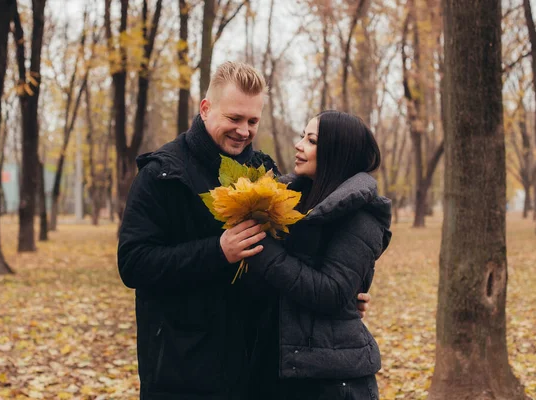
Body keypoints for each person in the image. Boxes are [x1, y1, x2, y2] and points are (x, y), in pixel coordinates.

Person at [117, 62, 371, 400]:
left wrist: (339, 298)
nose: (243, 131)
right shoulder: (163, 174)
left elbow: (289, 260)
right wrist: (217, 251)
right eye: (234, 119)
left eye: (252, 121)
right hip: (183, 367)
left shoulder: (265, 172)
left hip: (256, 367)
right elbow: (133, 263)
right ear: (206, 109)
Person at [244, 111, 392, 400]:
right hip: (281, 370)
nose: (299, 145)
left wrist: (260, 247)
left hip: (330, 381)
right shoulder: (292, 203)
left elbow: (332, 292)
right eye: (303, 136)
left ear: (337, 153)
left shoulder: (362, 216)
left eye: (311, 140)